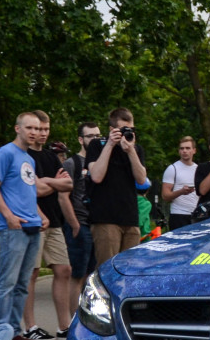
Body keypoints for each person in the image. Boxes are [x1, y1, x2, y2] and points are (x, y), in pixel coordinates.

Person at [0, 112, 45, 340]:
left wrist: (41, 216)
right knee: (7, 281)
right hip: (14, 227)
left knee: (23, 282)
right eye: (29, 127)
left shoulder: (29, 159)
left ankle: (14, 329)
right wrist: (8, 216)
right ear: (17, 128)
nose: (33, 132)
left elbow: (27, 191)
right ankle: (1, 329)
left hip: (32, 226)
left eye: (37, 129)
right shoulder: (6, 153)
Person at [21, 111, 71, 340]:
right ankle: (30, 326)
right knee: (32, 272)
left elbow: (67, 184)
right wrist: (54, 183)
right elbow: (34, 190)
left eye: (46, 129)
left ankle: (65, 326)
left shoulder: (51, 157)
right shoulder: (23, 155)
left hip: (55, 221)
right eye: (38, 129)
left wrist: (47, 182)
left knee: (64, 270)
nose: (41, 133)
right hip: (33, 221)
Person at [85, 107, 148, 266]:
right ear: (112, 130)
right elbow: (97, 176)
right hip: (106, 219)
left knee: (129, 269)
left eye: (131, 129)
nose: (128, 132)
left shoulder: (136, 149)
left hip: (130, 218)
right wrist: (110, 145)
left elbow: (141, 180)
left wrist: (131, 151)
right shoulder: (97, 145)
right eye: (123, 129)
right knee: (107, 269)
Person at [61, 123, 100, 315]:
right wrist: (74, 224)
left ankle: (89, 318)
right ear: (80, 139)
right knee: (76, 275)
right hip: (80, 224)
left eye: (98, 135)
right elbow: (63, 196)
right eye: (90, 136)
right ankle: (74, 321)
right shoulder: (72, 163)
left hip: (98, 224)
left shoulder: (101, 162)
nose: (94, 139)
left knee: (91, 276)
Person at [160, 135, 199, 231]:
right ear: (179, 151)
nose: (184, 151)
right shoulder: (173, 168)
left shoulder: (198, 169)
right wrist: (181, 192)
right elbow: (165, 196)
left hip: (196, 214)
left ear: (194, 150)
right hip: (178, 214)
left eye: (187, 148)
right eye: (182, 148)